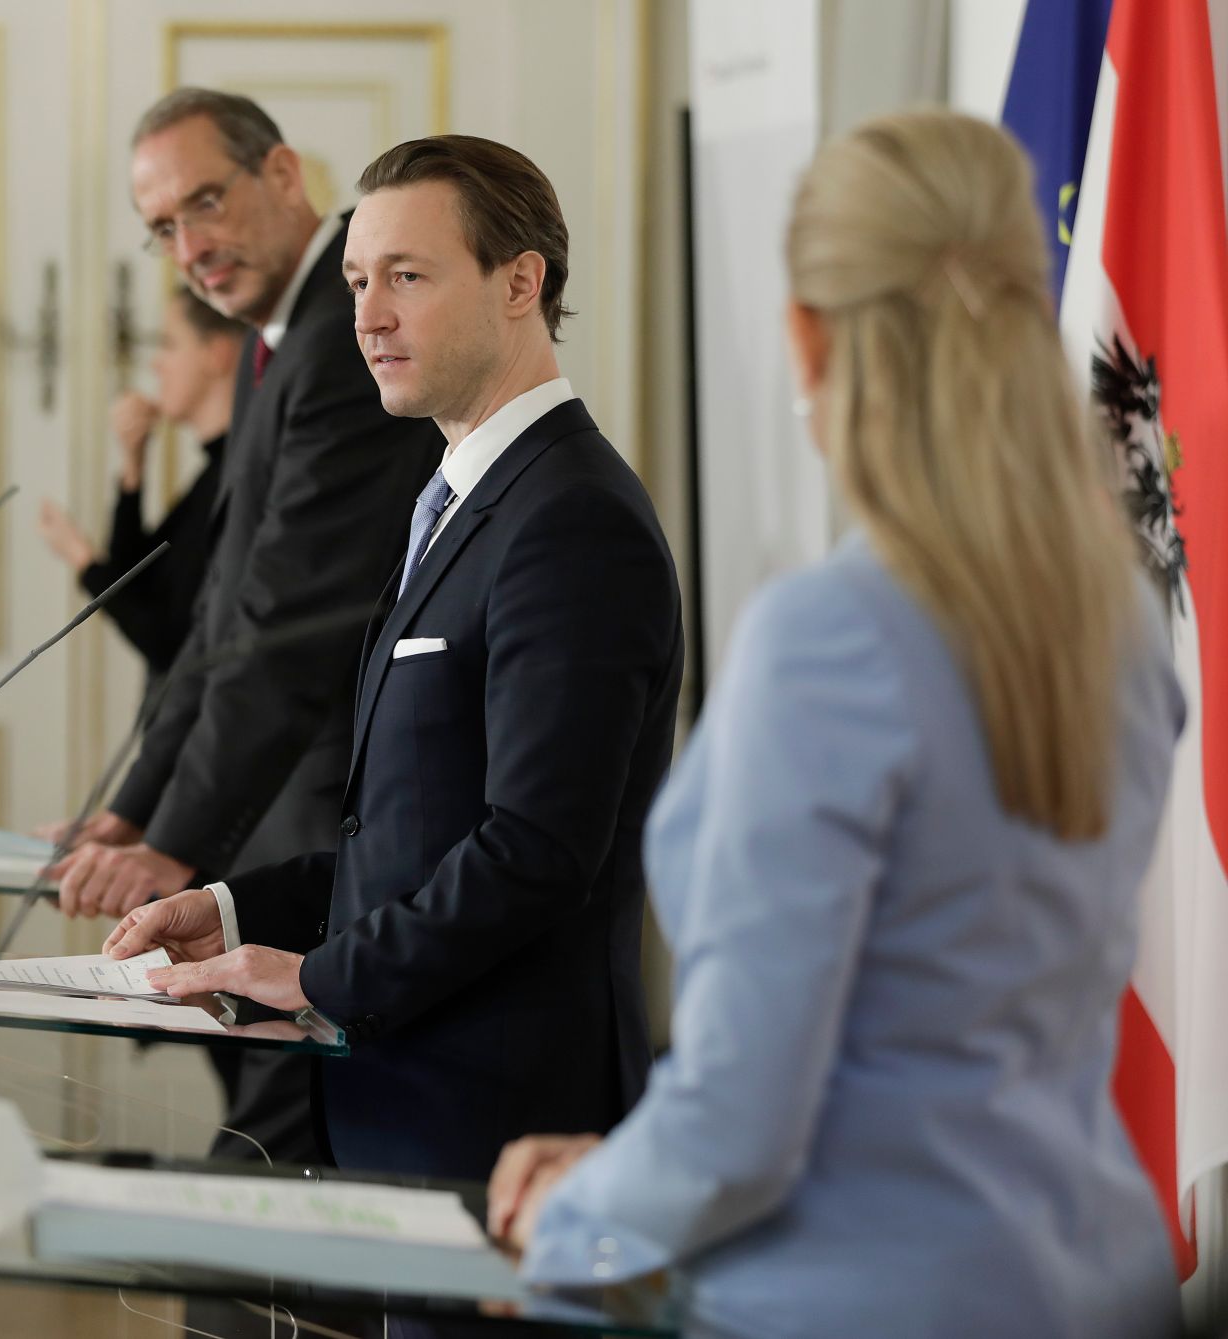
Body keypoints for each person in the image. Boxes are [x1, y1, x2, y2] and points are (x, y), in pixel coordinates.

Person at [485, 109, 1185, 1339]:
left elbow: (746, 1126)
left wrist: (581, 1214)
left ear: (805, 337)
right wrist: (621, 1168)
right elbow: (928, 1044)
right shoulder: (1112, 618)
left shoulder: (831, 637)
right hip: (1083, 1276)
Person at [105, 134, 685, 1184]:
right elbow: (412, 832)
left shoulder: (569, 520)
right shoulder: (459, 503)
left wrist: (319, 972)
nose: (367, 315)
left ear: (520, 283)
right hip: (405, 1098)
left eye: (406, 278)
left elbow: (536, 850)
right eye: (357, 280)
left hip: (501, 1123)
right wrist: (234, 908)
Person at [49, 90, 441, 1169]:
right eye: (165, 228)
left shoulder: (331, 341)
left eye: (206, 202)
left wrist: (169, 838)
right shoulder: (279, 342)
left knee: (272, 1171)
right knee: (269, 1161)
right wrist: (131, 815)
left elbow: (281, 629)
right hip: (265, 826)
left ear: (281, 174)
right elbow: (217, 619)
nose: (191, 246)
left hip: (318, 829)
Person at [37, 289, 242, 676]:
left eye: (168, 344)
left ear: (217, 353)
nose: (155, 364)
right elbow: (139, 577)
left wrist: (81, 556)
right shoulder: (215, 471)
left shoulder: (233, 478)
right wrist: (134, 465)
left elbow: (166, 640)